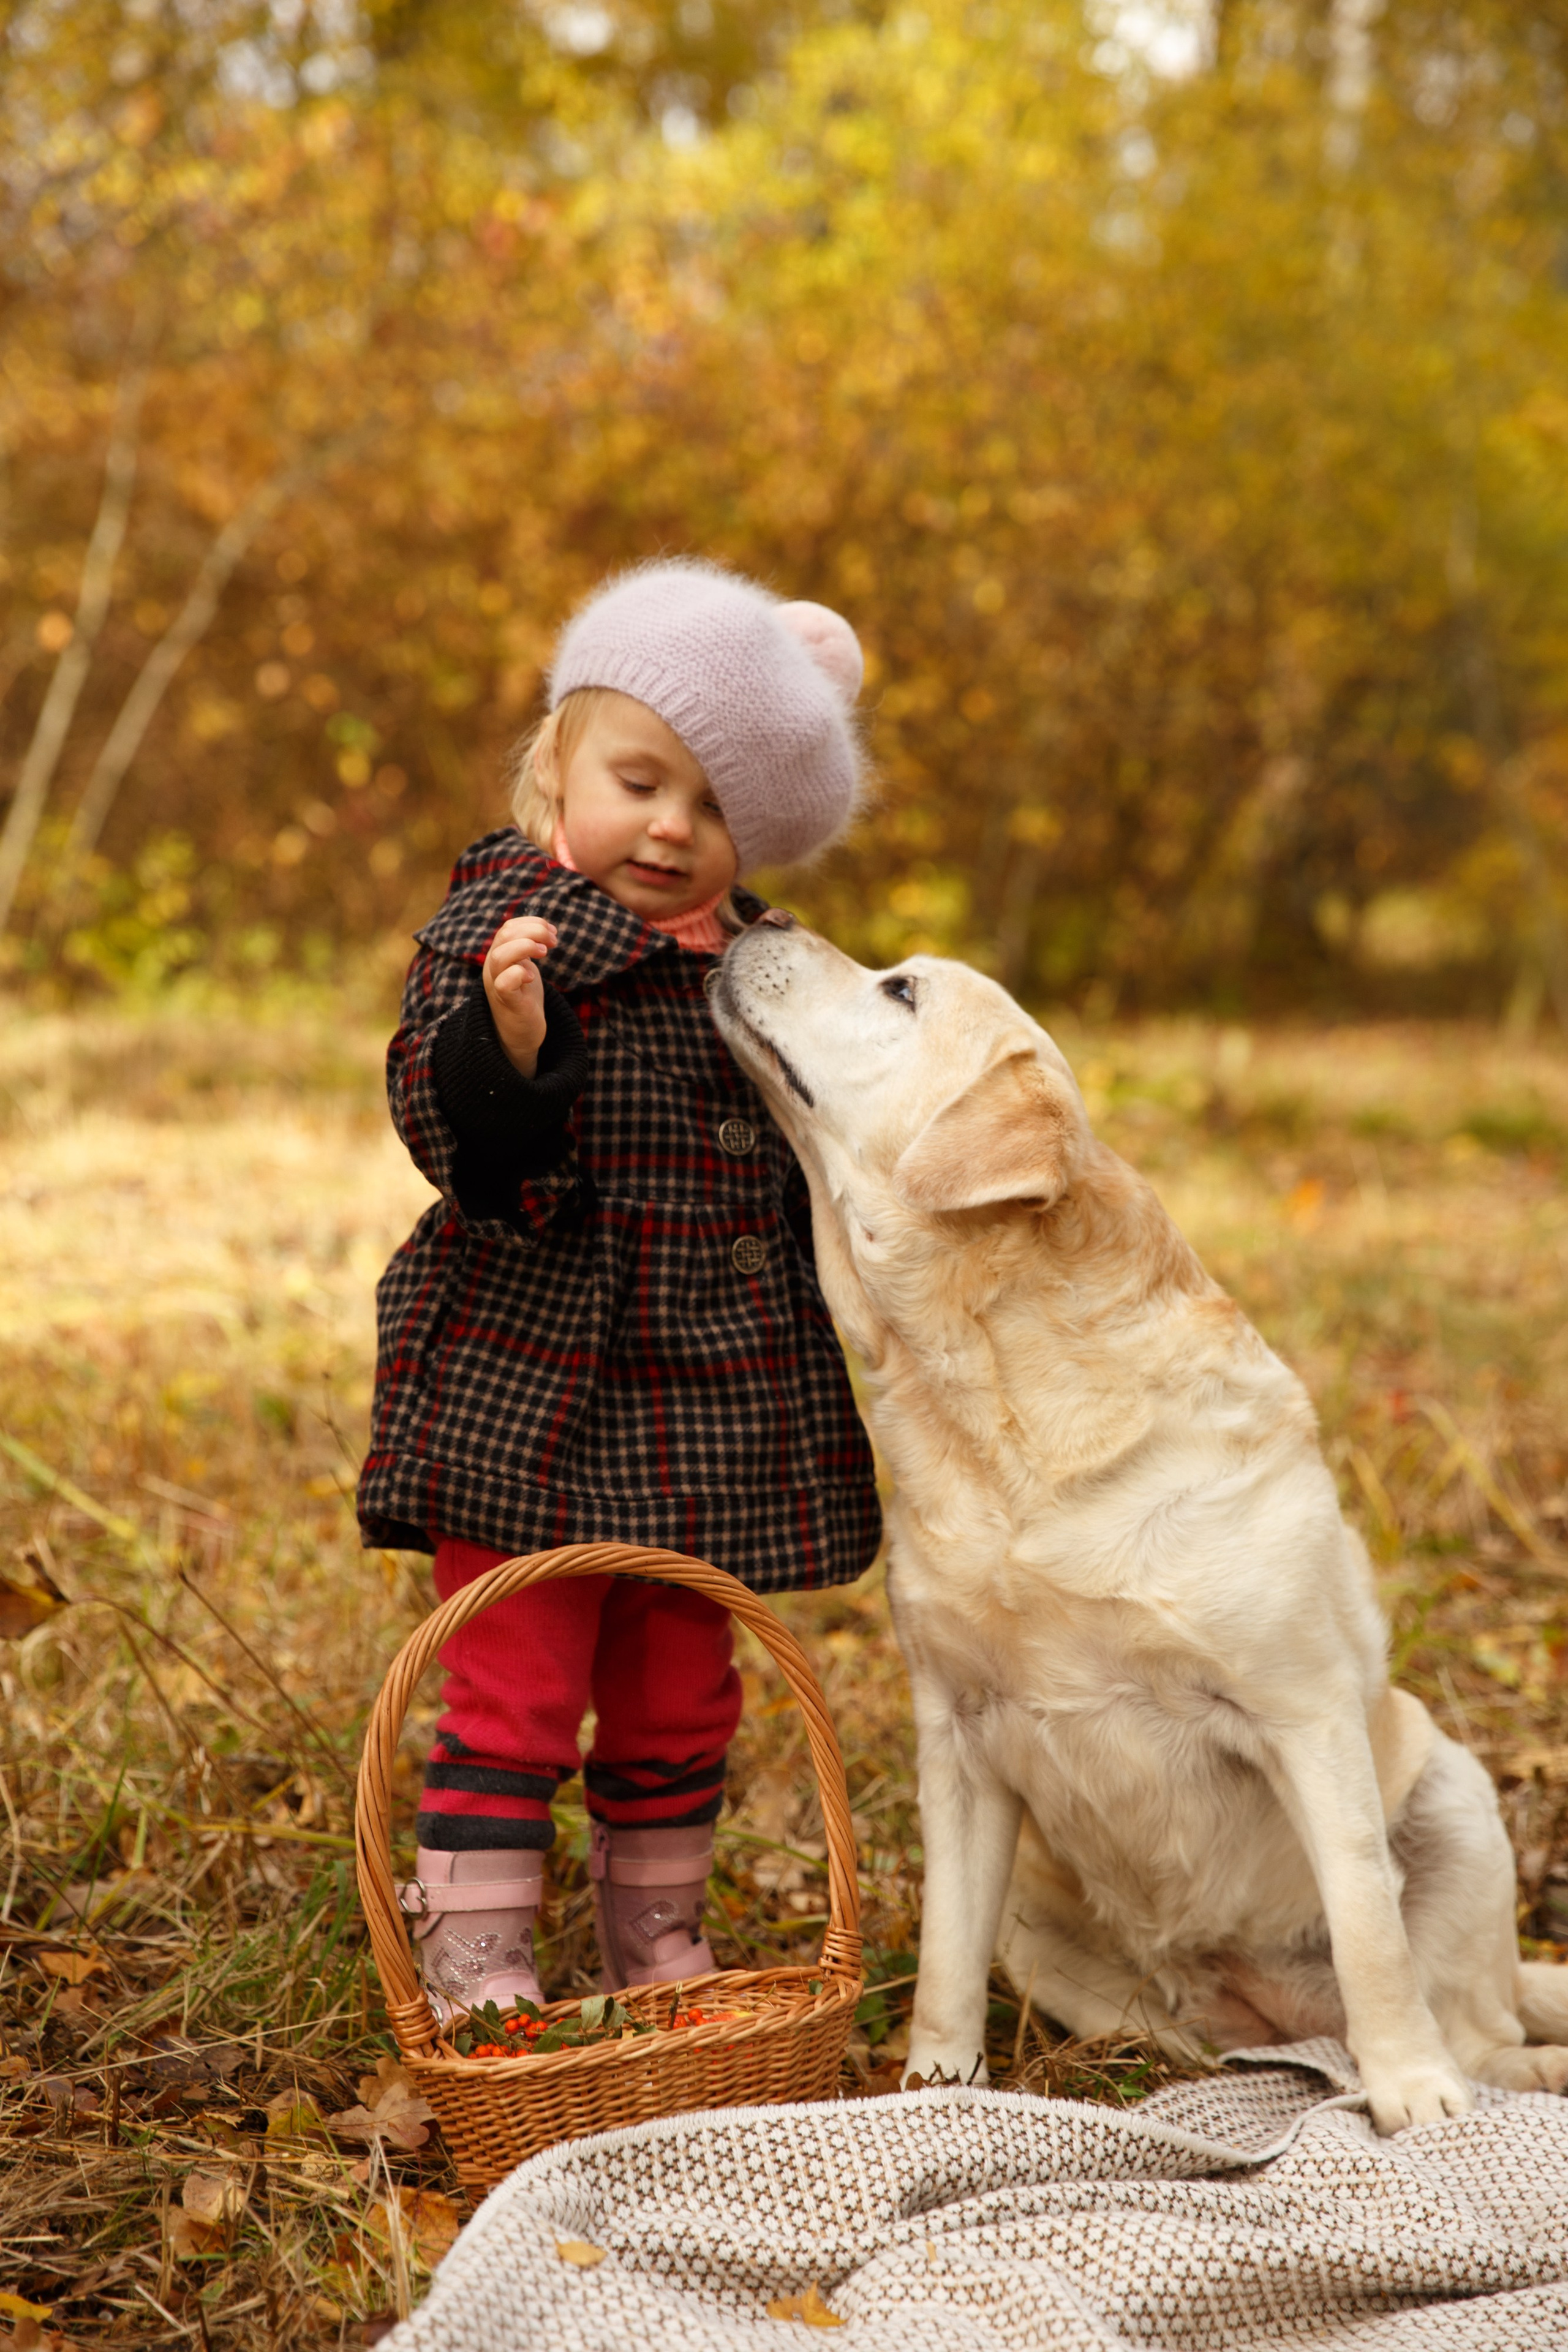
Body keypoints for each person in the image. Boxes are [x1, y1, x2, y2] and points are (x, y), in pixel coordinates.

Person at [357, 559, 883, 2021]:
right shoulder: (511, 929)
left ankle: (660, 1949)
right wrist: (509, 1042)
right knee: (514, 1683)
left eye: (716, 811)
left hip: (710, 1398)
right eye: (641, 781)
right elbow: (443, 1123)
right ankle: (479, 1959)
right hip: (539, 1381)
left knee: (678, 1690)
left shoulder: (764, 974)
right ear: (557, 771)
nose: (670, 828)